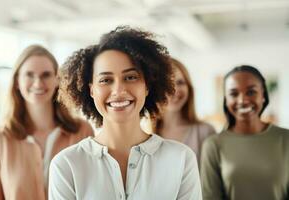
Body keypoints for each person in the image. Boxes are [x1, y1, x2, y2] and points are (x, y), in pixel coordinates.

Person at [49, 26, 202, 199]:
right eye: (105, 80)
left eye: (130, 77)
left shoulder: (181, 159)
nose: (119, 90)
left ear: (147, 86)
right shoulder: (66, 165)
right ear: (91, 90)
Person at [0, 45, 93, 200]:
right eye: (29, 75)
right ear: (17, 82)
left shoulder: (82, 131)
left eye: (46, 75)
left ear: (57, 81)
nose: (38, 83)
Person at [201, 65, 289, 200]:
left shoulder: (286, 139)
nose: (242, 100)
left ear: (263, 96)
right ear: (226, 100)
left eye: (251, 92)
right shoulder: (213, 145)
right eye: (234, 94)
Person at [152, 58, 215, 165]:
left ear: (189, 88)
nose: (174, 90)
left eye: (180, 82)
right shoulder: (143, 135)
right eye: (167, 83)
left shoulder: (205, 132)